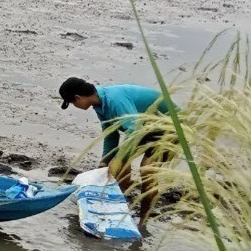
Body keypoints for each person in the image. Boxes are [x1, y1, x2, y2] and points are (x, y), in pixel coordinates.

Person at [58, 77, 176, 220]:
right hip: (145, 127)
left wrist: (119, 159)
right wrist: (104, 162)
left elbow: (134, 130)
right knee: (115, 167)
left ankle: (144, 220)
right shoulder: (99, 104)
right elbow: (111, 135)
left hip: (171, 127)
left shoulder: (114, 100)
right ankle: (117, 208)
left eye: (71, 103)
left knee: (147, 170)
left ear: (77, 98)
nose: (74, 105)